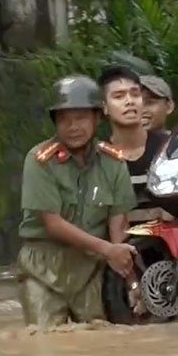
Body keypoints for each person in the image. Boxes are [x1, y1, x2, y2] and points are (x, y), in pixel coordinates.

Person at [16, 75, 139, 327]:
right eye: (64, 119)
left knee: (101, 335)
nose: (73, 127)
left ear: (97, 117)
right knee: (44, 338)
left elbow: (119, 228)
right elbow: (53, 224)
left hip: (92, 268)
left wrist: (132, 283)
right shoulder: (39, 161)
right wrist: (108, 250)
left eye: (81, 118)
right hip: (43, 268)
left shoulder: (113, 162)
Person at [98, 65, 172, 222]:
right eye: (119, 96)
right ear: (104, 107)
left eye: (135, 94)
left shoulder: (171, 147)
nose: (129, 101)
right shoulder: (97, 158)